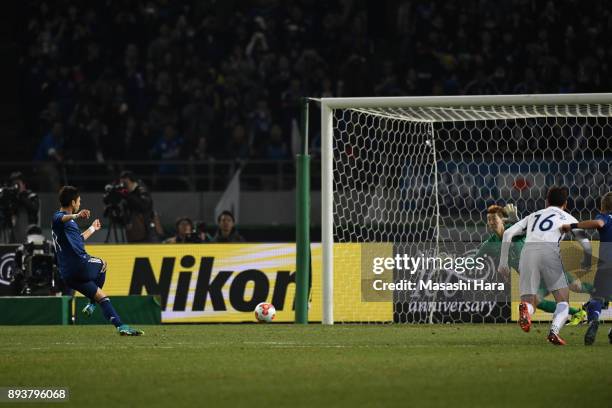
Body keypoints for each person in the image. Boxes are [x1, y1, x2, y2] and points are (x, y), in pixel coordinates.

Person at [498, 186, 591, 345]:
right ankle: (554, 332)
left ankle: (527, 310)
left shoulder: (533, 215)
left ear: (546, 201)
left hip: (527, 254)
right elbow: (584, 241)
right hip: (549, 252)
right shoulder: (569, 218)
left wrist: (503, 262)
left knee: (529, 301)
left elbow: (507, 233)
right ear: (566, 203)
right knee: (563, 302)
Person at [51, 185, 143, 335]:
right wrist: (77, 215)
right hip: (80, 265)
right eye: (79, 201)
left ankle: (121, 327)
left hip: (68, 275)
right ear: (73, 203)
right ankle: (92, 303)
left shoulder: (68, 225)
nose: (80, 204)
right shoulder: (58, 218)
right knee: (103, 264)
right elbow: (62, 218)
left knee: (102, 296)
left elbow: (79, 241)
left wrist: (92, 229)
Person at [477, 204, 588, 325]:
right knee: (537, 302)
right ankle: (577, 312)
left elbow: (533, 230)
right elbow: (474, 260)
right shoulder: (490, 244)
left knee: (576, 286)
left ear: (502, 220)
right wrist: (455, 259)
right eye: (489, 219)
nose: (491, 222)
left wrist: (516, 219)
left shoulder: (514, 230)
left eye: (494, 218)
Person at [561, 191, 612, 345]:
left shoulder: (604, 217)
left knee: (597, 297)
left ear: (603, 206)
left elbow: (598, 224)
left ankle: (594, 321)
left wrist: (572, 226)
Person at [118, 171, 157, 243]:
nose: (123, 186)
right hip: (133, 233)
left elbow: (144, 206)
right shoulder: (125, 194)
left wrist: (128, 195)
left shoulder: (141, 190)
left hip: (145, 230)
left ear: (130, 180)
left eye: (125, 183)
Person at [8, 172, 40, 244]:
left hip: (29, 232)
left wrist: (22, 194)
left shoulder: (32, 196)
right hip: (14, 233)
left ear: (24, 184)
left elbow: (34, 209)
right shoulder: (13, 198)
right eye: (13, 184)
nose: (15, 186)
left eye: (18, 184)